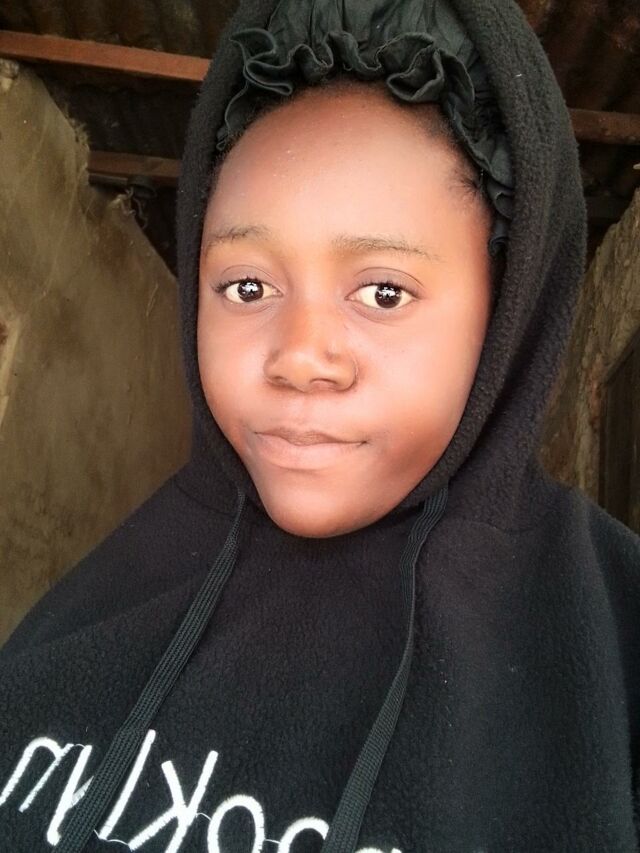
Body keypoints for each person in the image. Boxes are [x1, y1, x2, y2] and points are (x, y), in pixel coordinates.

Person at [0, 0, 638, 850]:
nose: (299, 357)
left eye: (383, 291)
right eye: (248, 287)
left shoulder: (612, 643)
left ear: (504, 316)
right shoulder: (109, 584)